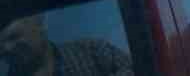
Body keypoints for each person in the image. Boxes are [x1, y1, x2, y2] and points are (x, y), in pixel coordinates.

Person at [0, 16, 133, 76]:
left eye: (14, 36)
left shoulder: (93, 51)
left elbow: (139, 69)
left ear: (38, 23)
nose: (6, 48)